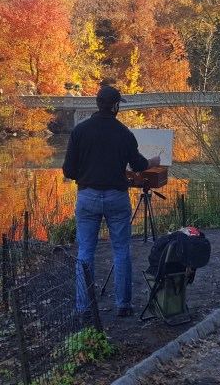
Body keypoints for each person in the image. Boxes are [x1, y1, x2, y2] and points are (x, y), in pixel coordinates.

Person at [63, 84, 160, 318]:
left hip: (87, 196)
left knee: (85, 251)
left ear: (98, 104)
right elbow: (137, 165)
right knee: (121, 251)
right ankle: (123, 305)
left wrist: (85, 174)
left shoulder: (80, 131)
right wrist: (152, 161)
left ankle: (84, 307)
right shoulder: (124, 133)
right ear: (115, 106)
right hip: (117, 197)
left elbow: (68, 170)